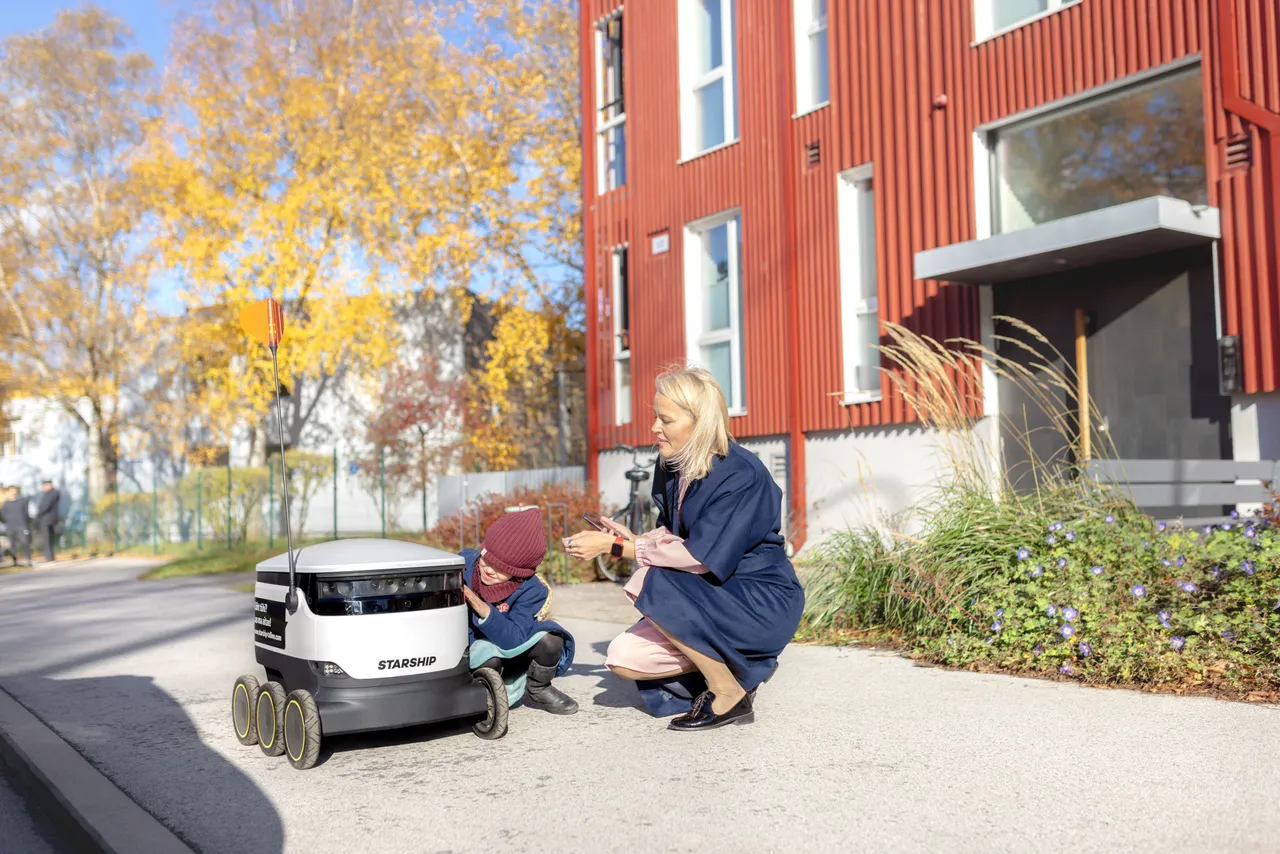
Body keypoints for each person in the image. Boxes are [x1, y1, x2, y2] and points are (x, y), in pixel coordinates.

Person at [565, 366, 806, 731]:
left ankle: (727, 692)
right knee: (622, 658)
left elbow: (698, 556)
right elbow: (674, 536)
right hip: (713, 595)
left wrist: (615, 548)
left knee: (654, 580)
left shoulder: (740, 474)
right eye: (655, 417)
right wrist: (631, 539)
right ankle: (738, 673)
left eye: (666, 419)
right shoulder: (674, 465)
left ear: (700, 422)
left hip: (758, 600)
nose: (654, 428)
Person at [461, 508, 578, 715]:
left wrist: (482, 609)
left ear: (519, 573)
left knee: (552, 640)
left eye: (500, 568)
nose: (488, 569)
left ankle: (538, 688)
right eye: (487, 559)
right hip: (470, 646)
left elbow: (513, 639)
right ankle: (481, 693)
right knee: (488, 657)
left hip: (508, 643)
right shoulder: (463, 565)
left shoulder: (532, 590)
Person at [1, 485, 32, 568]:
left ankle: (29, 560)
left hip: (21, 526)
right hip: (10, 526)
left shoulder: (22, 501)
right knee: (12, 544)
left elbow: (26, 514)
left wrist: (27, 524)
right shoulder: (6, 503)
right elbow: (3, 515)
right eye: (11, 491)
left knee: (25, 543)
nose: (13, 493)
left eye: (14, 491)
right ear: (8, 492)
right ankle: (14, 561)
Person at [35, 480, 62, 563]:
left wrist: (38, 515)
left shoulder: (50, 494)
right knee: (50, 538)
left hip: (46, 519)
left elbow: (45, 506)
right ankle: (50, 556)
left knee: (47, 539)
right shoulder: (55, 493)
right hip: (52, 519)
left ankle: (49, 556)